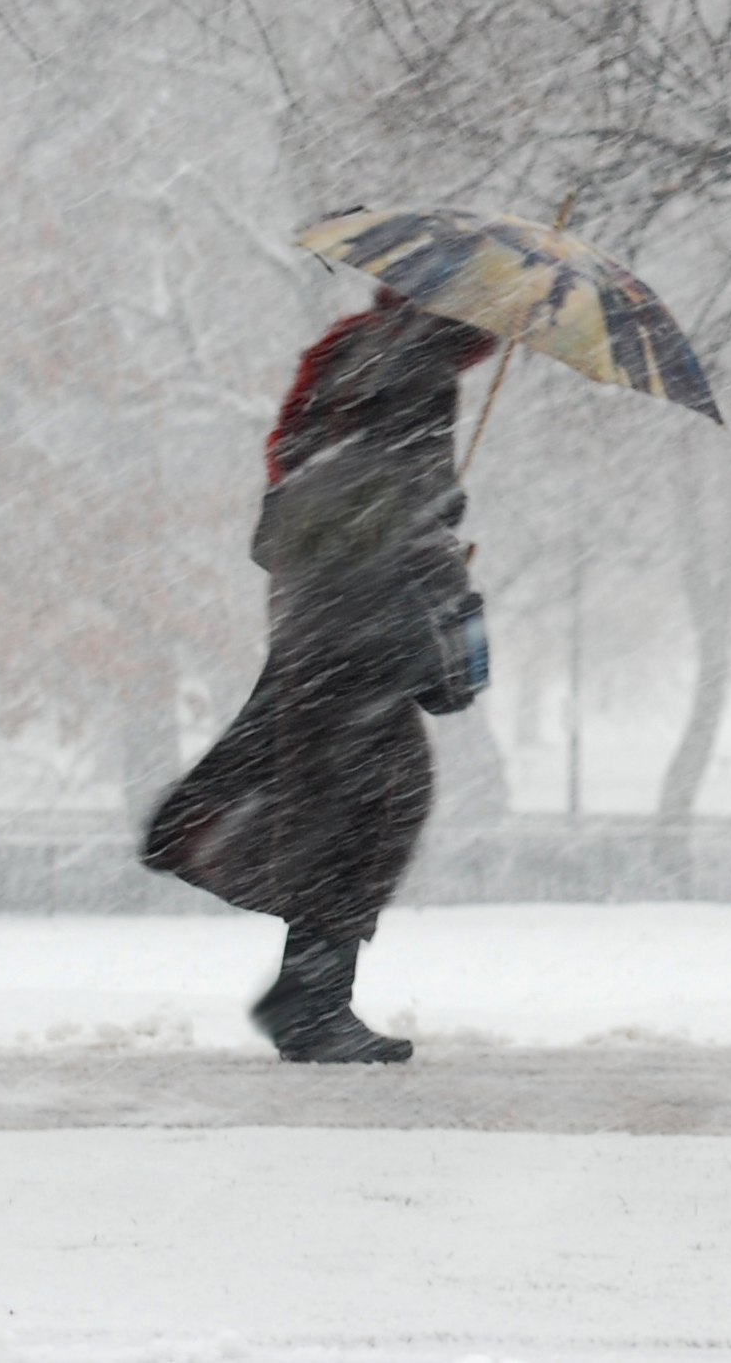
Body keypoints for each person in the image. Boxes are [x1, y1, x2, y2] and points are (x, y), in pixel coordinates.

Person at [144, 294, 499, 1062]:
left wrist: (419, 521)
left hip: (317, 612)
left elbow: (315, 488)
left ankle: (306, 996)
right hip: (361, 621)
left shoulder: (358, 351)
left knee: (338, 805)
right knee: (368, 811)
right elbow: (394, 493)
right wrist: (437, 543)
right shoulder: (418, 366)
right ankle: (308, 1006)